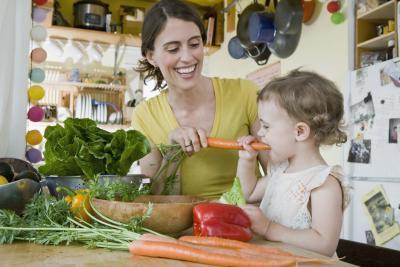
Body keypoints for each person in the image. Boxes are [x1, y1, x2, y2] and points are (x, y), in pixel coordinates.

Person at [131, 0, 268, 199]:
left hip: (246, 222)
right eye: (173, 49)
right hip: (183, 227)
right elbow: (156, 200)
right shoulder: (145, 116)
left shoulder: (245, 93)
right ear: (151, 56)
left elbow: (278, 174)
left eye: (194, 44)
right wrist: (173, 154)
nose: (187, 57)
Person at [236, 70, 351, 256]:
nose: (260, 133)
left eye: (266, 126)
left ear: (299, 132)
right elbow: (247, 194)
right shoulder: (280, 171)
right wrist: (246, 161)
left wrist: (269, 229)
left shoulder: (323, 183)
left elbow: (325, 244)